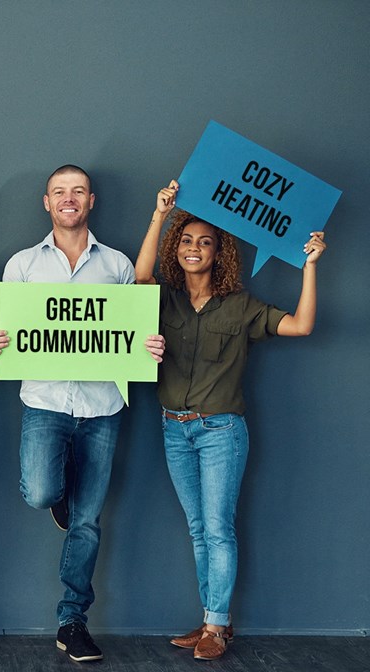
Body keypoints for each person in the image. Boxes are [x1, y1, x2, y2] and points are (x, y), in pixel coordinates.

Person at [135, 180, 325, 661]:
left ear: (220, 253)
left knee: (217, 527)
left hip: (221, 432)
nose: (193, 248)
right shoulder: (166, 301)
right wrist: (160, 217)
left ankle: (217, 626)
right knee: (199, 528)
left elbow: (301, 325)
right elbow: (137, 281)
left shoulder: (242, 306)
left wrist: (310, 267)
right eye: (186, 240)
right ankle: (209, 621)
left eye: (205, 242)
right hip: (172, 428)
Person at [0, 165, 163, 663]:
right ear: (47, 203)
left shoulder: (119, 266)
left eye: (77, 192)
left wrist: (149, 343)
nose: (69, 199)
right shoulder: (22, 264)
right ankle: (60, 497)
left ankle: (72, 620)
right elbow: (10, 334)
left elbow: (132, 331)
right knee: (41, 491)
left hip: (103, 406)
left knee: (87, 522)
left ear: (91, 201)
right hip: (45, 402)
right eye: (60, 192)